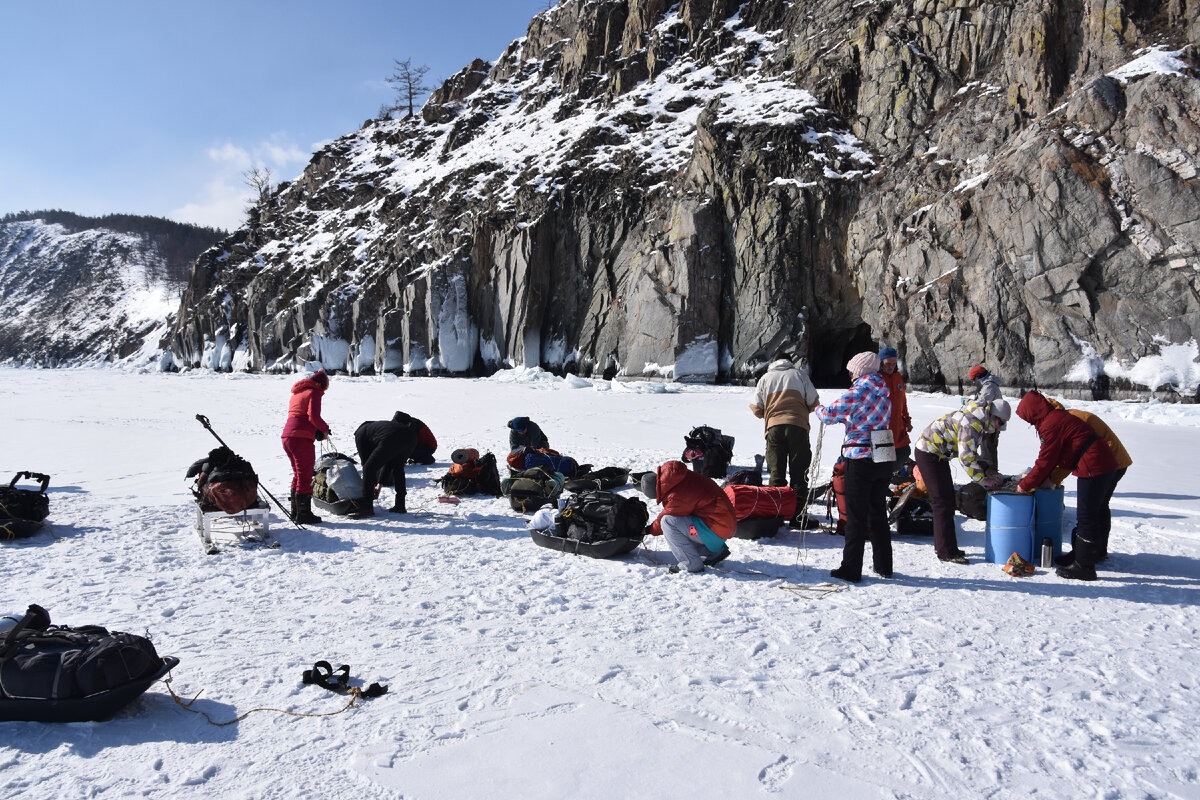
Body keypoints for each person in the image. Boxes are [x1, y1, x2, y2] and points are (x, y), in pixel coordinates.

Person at [1015, 391, 1120, 581]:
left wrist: (1025, 484)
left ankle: (1084, 567)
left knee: (1086, 516)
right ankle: (1082, 555)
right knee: (1092, 514)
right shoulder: (1056, 417)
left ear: (1031, 413)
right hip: (1101, 463)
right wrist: (1051, 479)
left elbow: (1045, 461)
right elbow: (1064, 455)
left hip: (1094, 466)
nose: (1029, 423)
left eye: (1027, 419)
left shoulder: (1050, 424)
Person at [815, 352, 894, 582]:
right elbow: (867, 419)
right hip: (882, 455)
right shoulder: (884, 391)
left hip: (860, 458)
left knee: (856, 516)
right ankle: (884, 566)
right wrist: (847, 419)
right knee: (878, 513)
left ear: (860, 371)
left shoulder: (858, 391)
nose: (850, 374)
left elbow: (829, 415)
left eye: (852, 370)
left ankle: (851, 568)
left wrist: (818, 409)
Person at [914, 399, 1011, 564]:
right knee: (942, 502)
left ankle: (946, 547)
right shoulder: (973, 423)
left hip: (938, 454)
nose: (999, 427)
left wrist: (986, 468)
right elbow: (966, 457)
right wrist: (983, 480)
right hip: (928, 452)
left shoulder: (978, 420)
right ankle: (946, 552)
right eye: (1000, 423)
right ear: (993, 416)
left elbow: (969, 452)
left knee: (948, 500)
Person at [1044, 398, 1132, 564]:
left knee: (1090, 511)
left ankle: (1085, 557)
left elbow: (1068, 458)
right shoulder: (1071, 416)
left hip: (1106, 465)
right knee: (1100, 507)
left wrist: (1052, 480)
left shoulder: (1072, 421)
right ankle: (1095, 552)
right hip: (1117, 462)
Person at [748, 353, 819, 521]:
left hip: (774, 429)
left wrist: (771, 414)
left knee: (776, 473)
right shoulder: (799, 374)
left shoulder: (765, 378)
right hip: (798, 427)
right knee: (799, 472)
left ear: (774, 362)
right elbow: (814, 402)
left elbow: (756, 408)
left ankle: (776, 516)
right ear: (790, 362)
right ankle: (798, 516)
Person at [640, 462, 737, 574]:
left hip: (716, 529)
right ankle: (712, 552)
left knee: (668, 522)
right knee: (682, 521)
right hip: (723, 523)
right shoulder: (678, 478)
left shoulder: (677, 495)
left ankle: (691, 564)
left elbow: (666, 516)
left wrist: (648, 530)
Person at [281, 369, 332, 525]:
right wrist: (324, 429)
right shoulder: (314, 392)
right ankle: (304, 514)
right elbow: (313, 417)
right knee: (305, 474)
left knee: (298, 473)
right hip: (300, 437)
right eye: (325, 388)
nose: (324, 391)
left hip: (287, 437)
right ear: (322, 384)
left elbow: (301, 416)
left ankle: (295, 512)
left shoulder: (297, 394)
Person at [352, 412, 419, 517]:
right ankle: (400, 505)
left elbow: (366, 464)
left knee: (369, 468)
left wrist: (371, 486)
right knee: (398, 468)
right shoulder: (377, 427)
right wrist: (379, 484)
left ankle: (367, 508)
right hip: (412, 437)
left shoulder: (360, 433)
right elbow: (389, 462)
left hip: (392, 436)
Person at [877, 347, 913, 464]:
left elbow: (903, 401)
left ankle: (891, 476)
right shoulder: (876, 379)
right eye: (888, 363)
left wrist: (907, 420)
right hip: (882, 428)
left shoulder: (898, 377)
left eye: (893, 363)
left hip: (898, 426)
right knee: (884, 461)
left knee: (904, 452)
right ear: (881, 363)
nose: (891, 366)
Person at [965, 365, 1002, 473]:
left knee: (988, 450)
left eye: (974, 379)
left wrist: (966, 402)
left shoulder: (989, 387)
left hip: (991, 424)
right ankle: (990, 473)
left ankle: (991, 475)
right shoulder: (989, 385)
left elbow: (980, 404)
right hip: (990, 422)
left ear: (979, 377)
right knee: (988, 449)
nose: (974, 382)